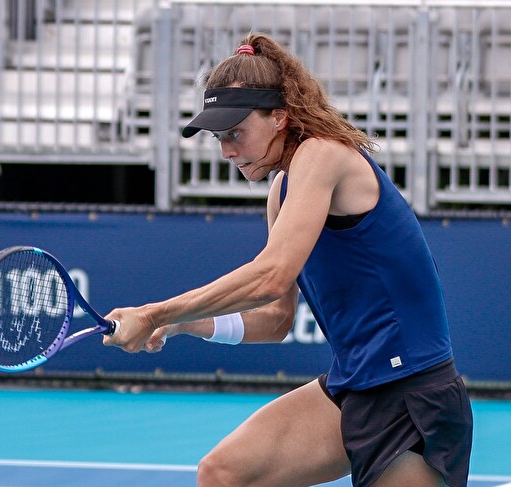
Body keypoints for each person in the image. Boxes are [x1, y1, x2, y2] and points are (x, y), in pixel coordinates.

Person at [103, 33, 473, 487]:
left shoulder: (323, 154)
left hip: (412, 394)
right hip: (352, 387)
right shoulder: (281, 191)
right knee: (222, 473)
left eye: (235, 132)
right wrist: (183, 324)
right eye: (219, 137)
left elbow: (272, 277)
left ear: (279, 116)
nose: (227, 151)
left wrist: (154, 312)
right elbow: (276, 319)